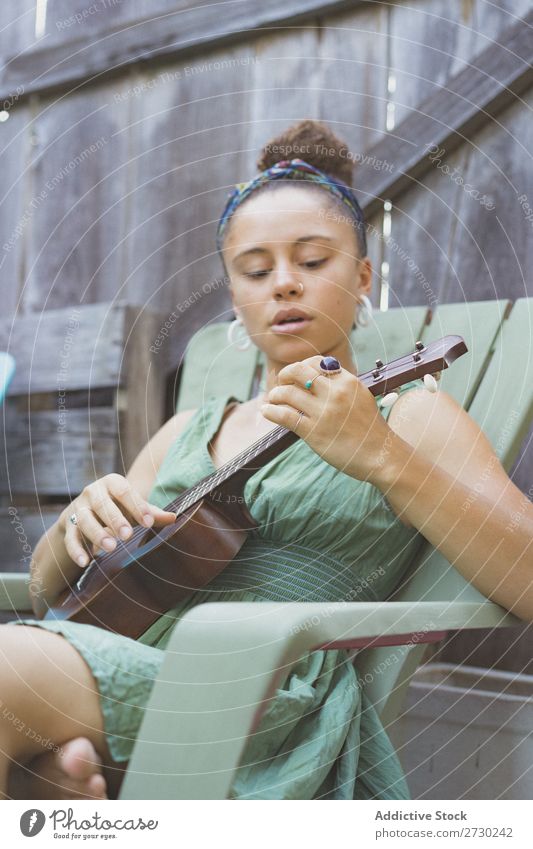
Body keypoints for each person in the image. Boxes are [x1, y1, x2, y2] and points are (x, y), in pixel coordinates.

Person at [2, 119, 532, 801]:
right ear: (233, 293)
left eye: (312, 262)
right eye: (255, 269)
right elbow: (55, 596)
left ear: (363, 275)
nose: (283, 283)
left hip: (252, 691)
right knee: (40, 770)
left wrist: (380, 455)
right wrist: (72, 526)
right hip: (121, 664)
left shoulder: (407, 413)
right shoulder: (186, 430)